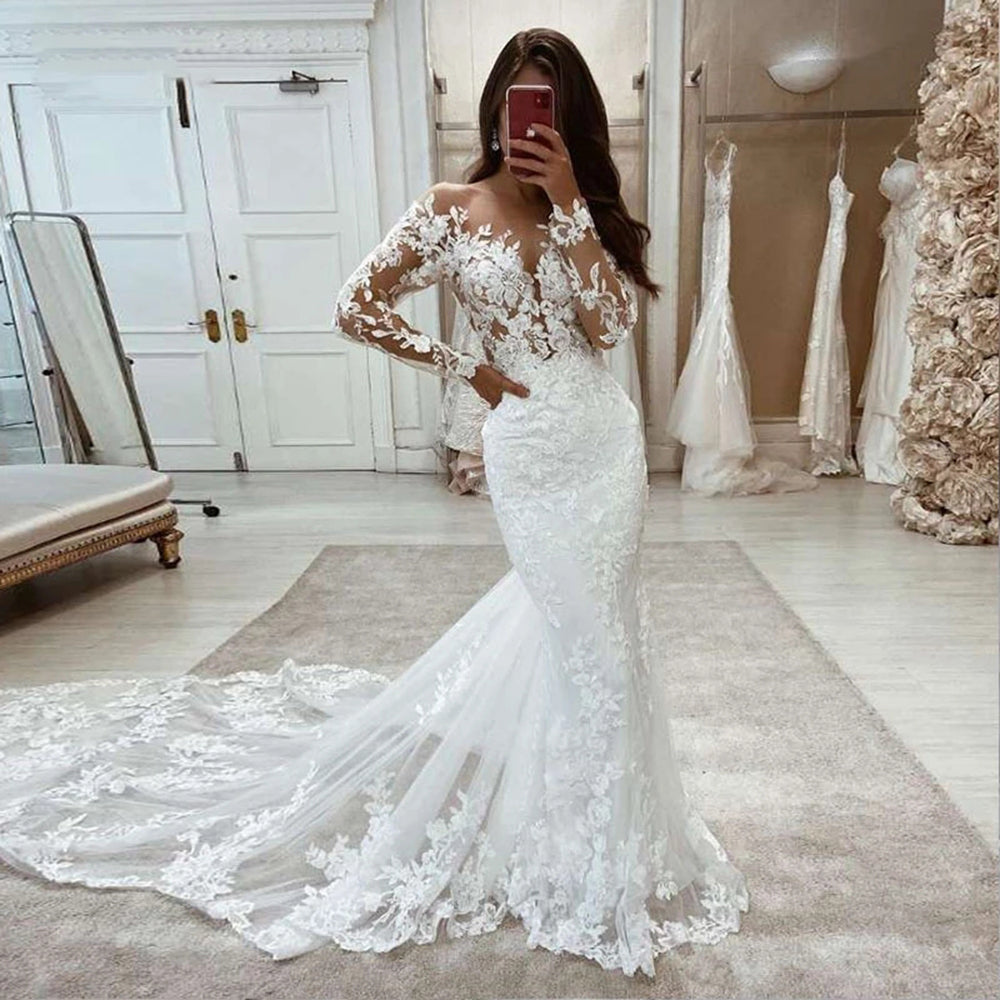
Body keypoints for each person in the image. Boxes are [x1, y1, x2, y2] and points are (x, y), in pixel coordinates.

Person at [0, 29, 748, 978]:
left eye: (550, 107)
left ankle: (607, 837)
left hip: (603, 444)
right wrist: (465, 368)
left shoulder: (588, 209)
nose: (530, 122)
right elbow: (355, 305)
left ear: (573, 121)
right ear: (494, 109)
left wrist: (570, 204)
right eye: (518, 102)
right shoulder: (449, 210)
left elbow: (609, 327)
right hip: (527, 447)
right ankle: (577, 839)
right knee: (580, 632)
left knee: (605, 635)